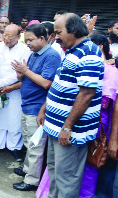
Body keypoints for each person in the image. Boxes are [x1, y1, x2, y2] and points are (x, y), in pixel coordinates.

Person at [37, 13, 103, 197]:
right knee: (55, 173)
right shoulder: (72, 50)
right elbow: (61, 85)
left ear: (74, 30)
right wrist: (45, 108)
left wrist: (67, 126)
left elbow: (87, 93)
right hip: (54, 126)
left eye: (58, 32)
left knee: (67, 179)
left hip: (69, 130)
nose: (56, 37)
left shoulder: (88, 53)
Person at [10, 24, 61, 191]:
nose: (28, 44)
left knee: (35, 146)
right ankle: (27, 170)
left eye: (30, 40)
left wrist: (25, 70)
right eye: (26, 41)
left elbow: (47, 83)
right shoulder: (34, 53)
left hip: (38, 108)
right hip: (28, 105)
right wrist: (20, 72)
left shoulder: (51, 56)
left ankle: (31, 180)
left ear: (42, 38)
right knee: (29, 142)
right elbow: (27, 77)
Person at [0, 24, 31, 161]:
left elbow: (20, 73)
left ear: (18, 36)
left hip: (15, 89)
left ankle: (14, 147)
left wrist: (1, 83)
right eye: (4, 34)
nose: (7, 39)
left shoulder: (24, 50)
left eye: (10, 36)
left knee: (14, 118)